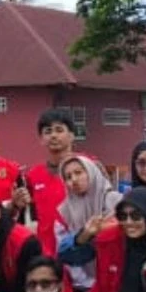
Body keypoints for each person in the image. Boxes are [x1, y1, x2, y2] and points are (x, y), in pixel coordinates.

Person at [53, 155, 117, 292]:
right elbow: (64, 253)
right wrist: (87, 285)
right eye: (68, 177)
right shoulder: (64, 211)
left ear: (91, 172)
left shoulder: (115, 201)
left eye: (79, 172)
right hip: (86, 289)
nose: (74, 179)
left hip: (117, 285)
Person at [22, 110, 85, 256]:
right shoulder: (33, 175)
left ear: (71, 135)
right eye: (48, 131)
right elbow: (32, 215)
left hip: (82, 252)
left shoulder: (89, 166)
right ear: (41, 139)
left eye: (59, 130)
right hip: (48, 254)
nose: (54, 135)